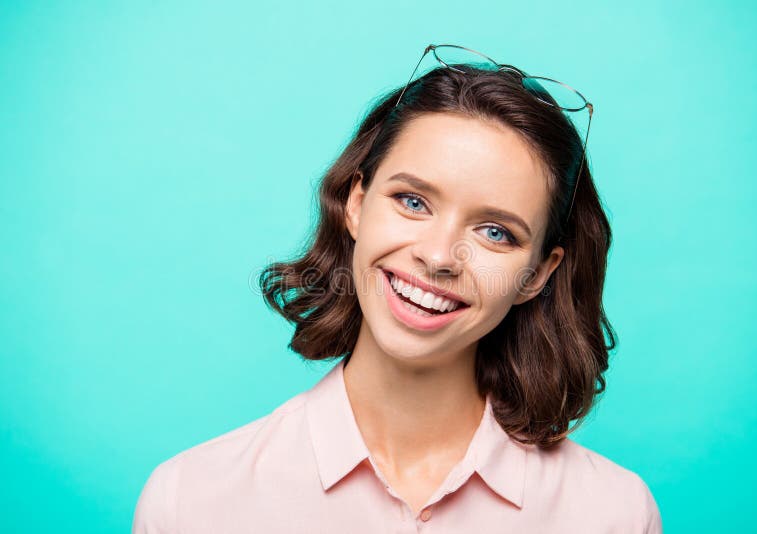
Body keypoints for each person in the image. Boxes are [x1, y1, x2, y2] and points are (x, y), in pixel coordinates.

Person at [132, 44, 663, 533]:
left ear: (538, 274)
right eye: (413, 201)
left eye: (495, 232)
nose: (437, 257)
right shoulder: (191, 502)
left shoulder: (613, 513)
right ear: (357, 203)